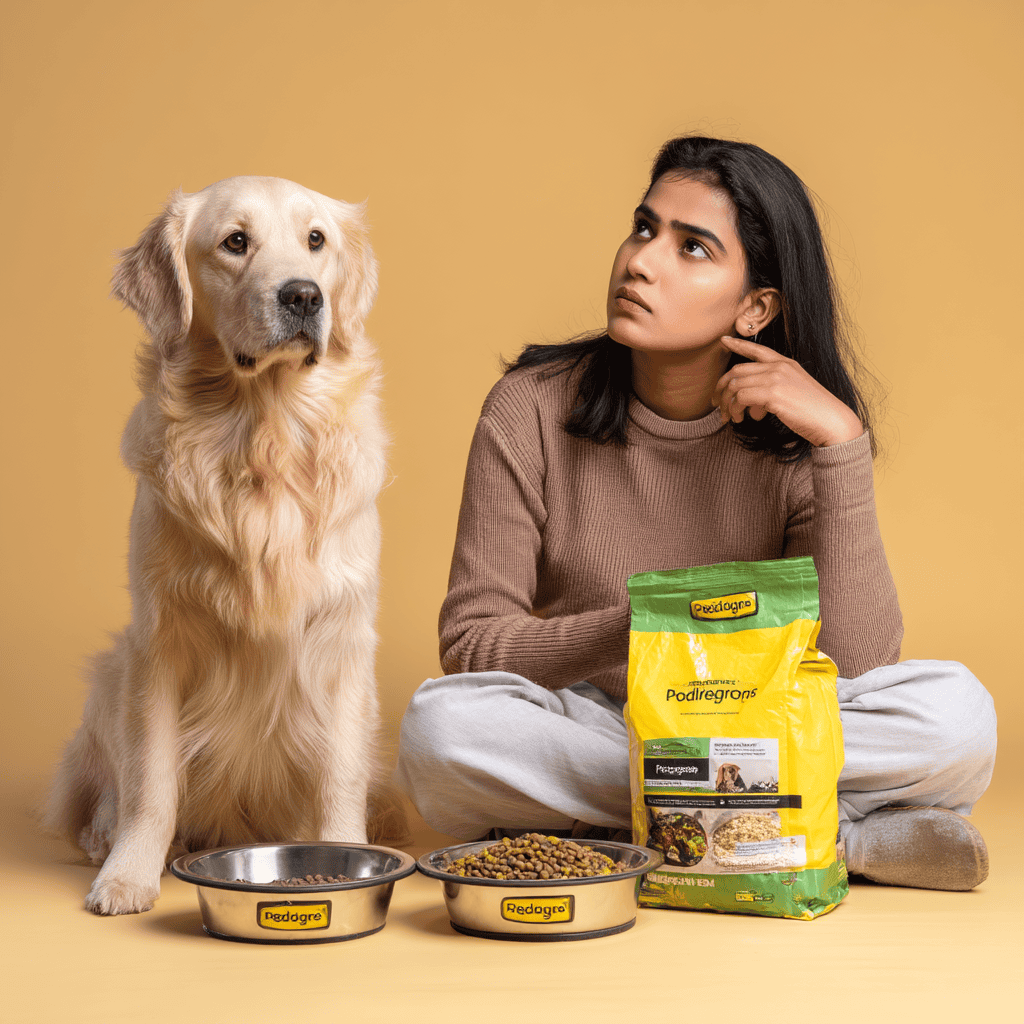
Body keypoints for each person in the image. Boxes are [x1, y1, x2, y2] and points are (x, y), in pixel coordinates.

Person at [396, 136, 996, 891]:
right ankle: (824, 837)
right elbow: (472, 645)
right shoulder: (531, 408)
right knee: (440, 730)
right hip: (610, 725)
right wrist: (654, 621)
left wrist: (842, 444)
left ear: (756, 309)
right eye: (644, 228)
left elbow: (861, 664)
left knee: (960, 718)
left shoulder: (803, 437)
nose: (641, 261)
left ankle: (632, 832)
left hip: (760, 722)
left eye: (693, 248)